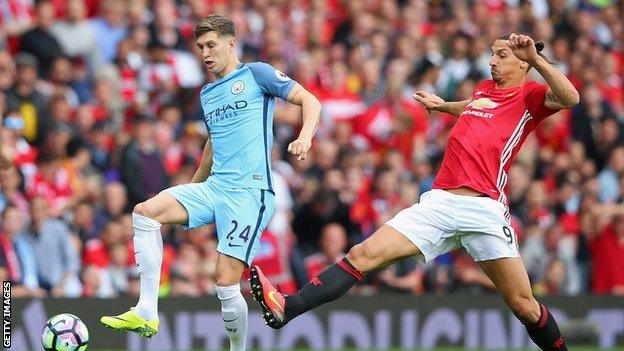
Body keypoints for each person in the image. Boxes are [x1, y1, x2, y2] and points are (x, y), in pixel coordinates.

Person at [250, 33, 578, 351]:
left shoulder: (530, 97)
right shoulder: (484, 90)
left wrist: (537, 60)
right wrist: (442, 106)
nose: (491, 60)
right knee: (362, 254)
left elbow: (570, 98)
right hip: (439, 202)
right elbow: (473, 106)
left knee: (525, 307)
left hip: (484, 208)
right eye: (492, 53)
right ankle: (288, 307)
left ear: (523, 63)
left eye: (501, 55)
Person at [100, 14, 321, 351]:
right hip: (215, 187)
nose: (204, 53)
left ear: (231, 44)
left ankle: (237, 349)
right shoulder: (207, 93)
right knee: (145, 212)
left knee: (224, 281)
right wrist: (193, 189)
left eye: (211, 45)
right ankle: (146, 312)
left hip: (250, 193)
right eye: (200, 47)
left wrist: (305, 137)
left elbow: (310, 100)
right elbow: (213, 143)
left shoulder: (257, 74)